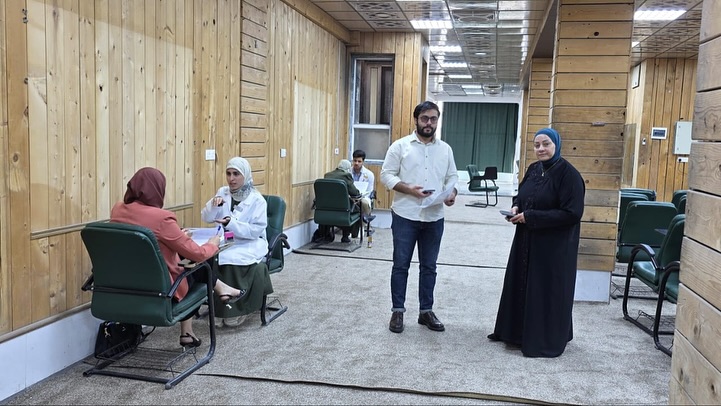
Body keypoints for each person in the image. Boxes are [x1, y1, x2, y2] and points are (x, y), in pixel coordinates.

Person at [110, 167, 245, 348]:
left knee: (187, 258)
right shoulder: (162, 218)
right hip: (162, 288)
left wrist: (177, 237)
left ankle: (192, 329)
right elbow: (198, 254)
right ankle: (219, 290)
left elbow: (142, 239)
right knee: (201, 263)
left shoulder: (118, 210)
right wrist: (213, 243)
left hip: (124, 282)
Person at [487, 127, 585, 358]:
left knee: (544, 291)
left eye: (546, 144)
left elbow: (572, 213)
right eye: (537, 145)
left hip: (553, 247)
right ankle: (516, 333)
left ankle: (542, 340)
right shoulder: (534, 169)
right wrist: (516, 207)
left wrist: (531, 217)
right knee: (521, 284)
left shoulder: (569, 175)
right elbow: (522, 195)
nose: (541, 149)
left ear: (556, 145)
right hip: (526, 240)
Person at [380, 101, 458, 334]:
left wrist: (451, 193)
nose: (429, 123)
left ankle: (426, 311)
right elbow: (386, 175)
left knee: (429, 267)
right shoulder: (400, 146)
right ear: (416, 119)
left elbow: (452, 177)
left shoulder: (445, 149)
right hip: (406, 214)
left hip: (434, 216)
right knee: (400, 265)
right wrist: (409, 189)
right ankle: (397, 311)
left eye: (433, 119)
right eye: (424, 118)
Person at [201, 157, 273, 327]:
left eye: (236, 174)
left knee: (231, 257)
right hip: (226, 239)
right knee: (211, 254)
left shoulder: (257, 200)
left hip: (250, 242)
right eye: (228, 173)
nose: (231, 179)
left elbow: (255, 231)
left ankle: (237, 310)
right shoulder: (223, 192)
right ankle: (219, 310)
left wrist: (230, 223)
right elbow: (206, 217)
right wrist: (214, 205)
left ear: (245, 175)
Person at [324, 159, 362, 243]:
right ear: (348, 169)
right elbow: (355, 193)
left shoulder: (327, 175)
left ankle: (325, 234)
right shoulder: (346, 176)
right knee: (358, 210)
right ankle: (347, 236)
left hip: (327, 208)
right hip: (343, 208)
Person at [351, 149, 375, 220]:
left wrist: (360, 197)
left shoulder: (369, 174)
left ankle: (364, 222)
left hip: (363, 197)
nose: (356, 163)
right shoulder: (347, 172)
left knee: (364, 203)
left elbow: (369, 191)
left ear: (363, 162)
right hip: (350, 197)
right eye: (355, 161)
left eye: (359, 161)